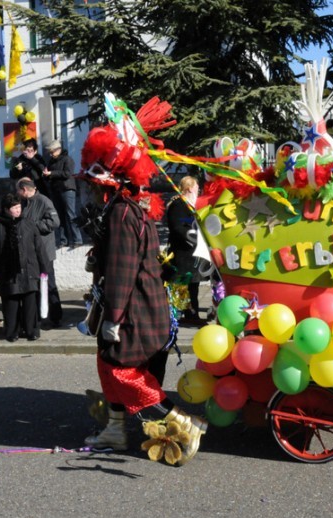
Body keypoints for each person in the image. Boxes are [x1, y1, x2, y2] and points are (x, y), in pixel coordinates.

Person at [80, 96, 206, 466]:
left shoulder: (121, 213)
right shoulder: (131, 208)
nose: (89, 190)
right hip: (143, 303)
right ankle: (116, 430)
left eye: (92, 182)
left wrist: (114, 320)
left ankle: (184, 422)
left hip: (133, 309)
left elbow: (122, 271)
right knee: (108, 365)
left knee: (122, 371)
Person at [0, 193, 49, 342]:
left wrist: (44, 268)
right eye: (14, 208)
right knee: (10, 305)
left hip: (29, 270)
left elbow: (39, 248)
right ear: (6, 209)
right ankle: (12, 332)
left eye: (19, 207)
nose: (18, 210)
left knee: (30, 304)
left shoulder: (29, 224)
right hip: (8, 273)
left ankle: (31, 330)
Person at [17, 178, 63, 328]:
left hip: (45, 252)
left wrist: (33, 226)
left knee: (48, 284)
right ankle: (39, 316)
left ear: (24, 190)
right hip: (31, 252)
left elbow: (55, 222)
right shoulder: (24, 202)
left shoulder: (44, 201)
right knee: (35, 285)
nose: (17, 193)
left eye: (18, 190)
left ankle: (55, 317)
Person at [165, 176, 207, 326]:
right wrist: (194, 239)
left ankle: (192, 314)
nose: (198, 189)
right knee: (184, 286)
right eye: (196, 186)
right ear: (189, 188)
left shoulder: (189, 205)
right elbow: (178, 228)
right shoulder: (178, 205)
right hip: (183, 253)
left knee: (193, 286)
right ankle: (185, 315)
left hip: (191, 254)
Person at [43, 139, 83, 248]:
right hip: (56, 190)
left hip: (67, 189)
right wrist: (46, 175)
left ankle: (77, 240)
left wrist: (51, 173)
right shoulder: (51, 162)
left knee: (70, 214)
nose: (51, 154)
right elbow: (49, 176)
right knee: (60, 216)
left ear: (59, 149)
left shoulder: (67, 159)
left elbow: (67, 173)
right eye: (50, 152)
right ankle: (63, 240)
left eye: (52, 152)